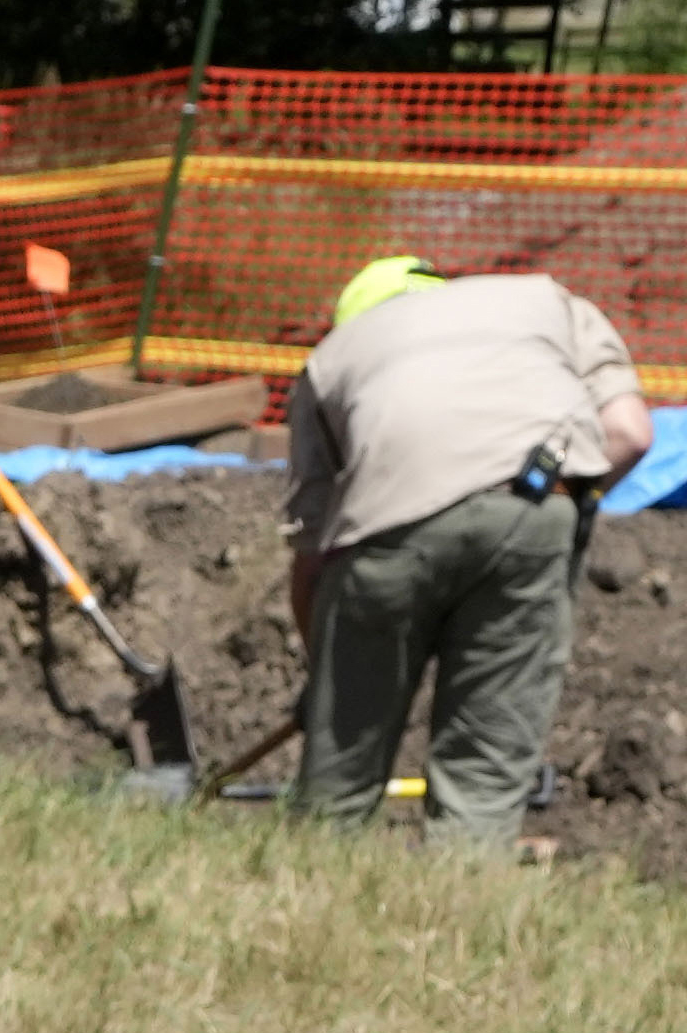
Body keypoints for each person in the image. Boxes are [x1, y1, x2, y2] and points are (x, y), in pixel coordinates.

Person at [279, 250, 652, 855]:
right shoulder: (545, 300)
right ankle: (461, 899)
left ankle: (311, 892)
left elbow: (312, 554)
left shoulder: (329, 362)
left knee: (338, 787)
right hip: (533, 512)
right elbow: (631, 434)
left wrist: (325, 679)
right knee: (483, 770)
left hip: (381, 532)